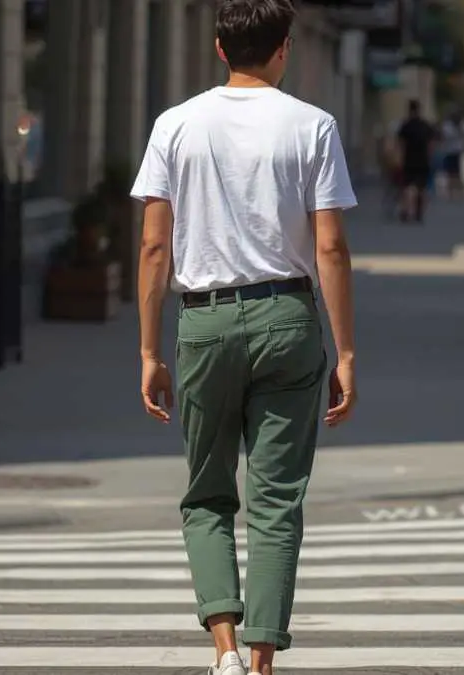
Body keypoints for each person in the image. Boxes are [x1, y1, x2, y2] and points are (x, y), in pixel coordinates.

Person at [130, 1, 358, 674]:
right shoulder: (314, 126)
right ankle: (262, 662)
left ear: (220, 48)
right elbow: (331, 248)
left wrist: (148, 351)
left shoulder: (175, 125)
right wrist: (346, 351)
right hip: (288, 317)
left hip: (204, 320)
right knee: (277, 500)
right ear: (284, 48)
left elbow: (153, 247)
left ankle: (224, 650)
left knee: (207, 493)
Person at [397, 99, 437, 222]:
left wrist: (400, 159)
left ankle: (407, 211)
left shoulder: (406, 125)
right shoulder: (425, 125)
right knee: (422, 188)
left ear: (409, 110)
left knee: (408, 187)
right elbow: (431, 144)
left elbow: (401, 144)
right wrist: (430, 157)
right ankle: (419, 213)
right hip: (423, 160)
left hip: (409, 160)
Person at [440, 111, 464, 199]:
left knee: (455, 174)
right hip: (451, 151)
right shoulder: (449, 126)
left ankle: (458, 192)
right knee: (451, 174)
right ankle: (452, 192)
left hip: (454, 152)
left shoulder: (457, 126)